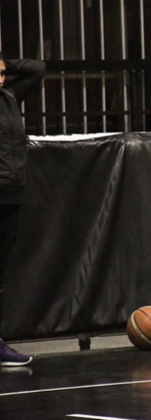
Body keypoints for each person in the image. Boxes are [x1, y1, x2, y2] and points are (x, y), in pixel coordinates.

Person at [0, 53, 45, 367]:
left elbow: (37, 69)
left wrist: (5, 63)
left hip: (11, 194)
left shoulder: (9, 97)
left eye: (2, 73)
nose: (1, 78)